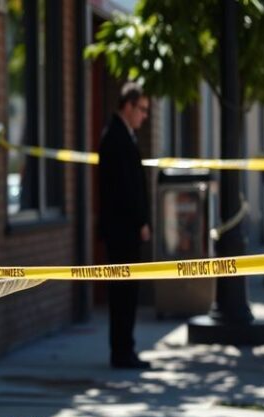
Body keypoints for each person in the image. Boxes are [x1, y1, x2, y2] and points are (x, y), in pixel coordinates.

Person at [98, 82, 152, 370]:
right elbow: (124, 190)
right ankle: (121, 351)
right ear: (127, 106)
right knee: (123, 293)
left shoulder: (124, 136)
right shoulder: (115, 137)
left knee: (127, 294)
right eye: (141, 109)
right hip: (122, 232)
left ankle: (125, 348)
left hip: (125, 230)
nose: (144, 116)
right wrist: (140, 221)